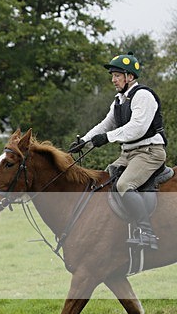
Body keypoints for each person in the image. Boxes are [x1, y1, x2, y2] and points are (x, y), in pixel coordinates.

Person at [69, 52, 167, 250]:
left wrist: (107, 138)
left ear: (130, 77)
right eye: (112, 76)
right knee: (103, 182)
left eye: (117, 75)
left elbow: (137, 127)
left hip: (149, 152)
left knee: (124, 184)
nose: (113, 80)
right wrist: (84, 141)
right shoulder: (120, 100)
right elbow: (106, 124)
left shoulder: (143, 96)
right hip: (128, 154)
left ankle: (147, 233)